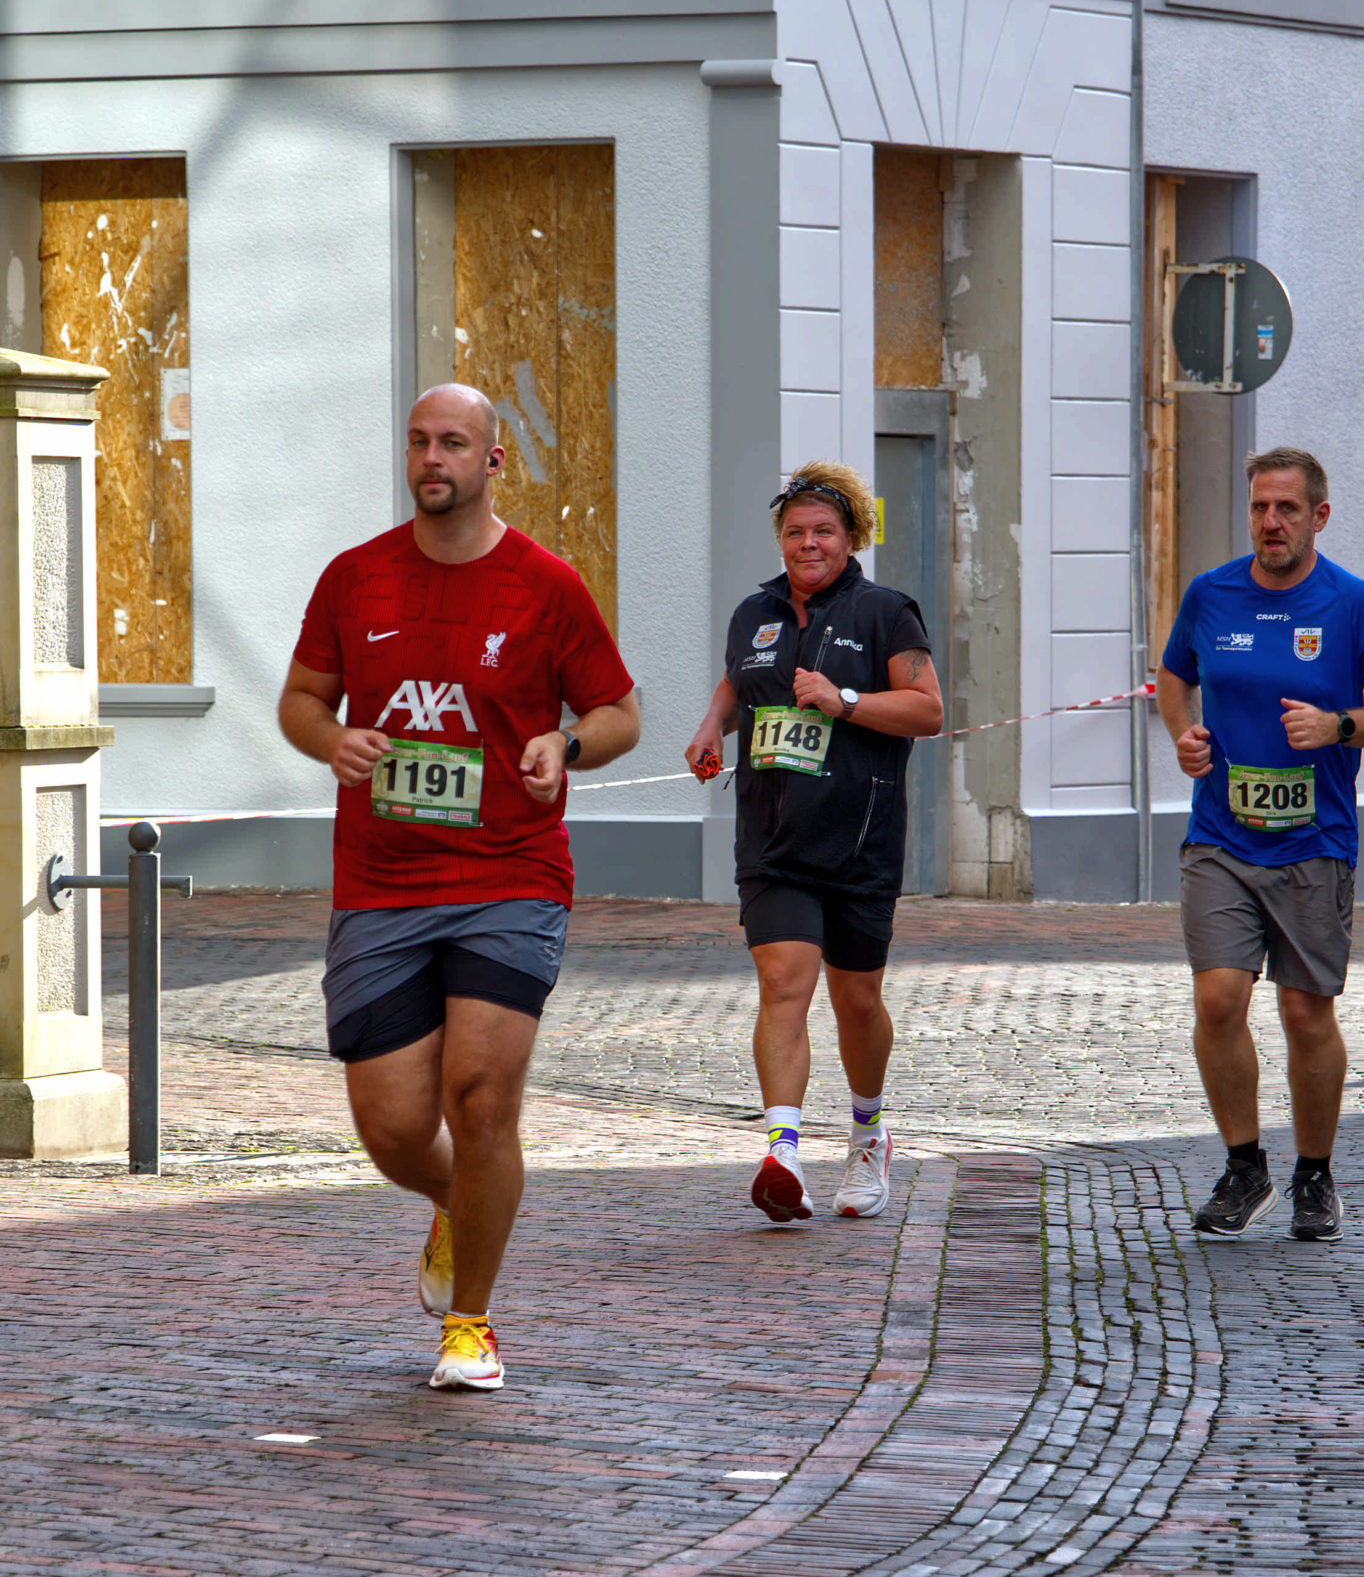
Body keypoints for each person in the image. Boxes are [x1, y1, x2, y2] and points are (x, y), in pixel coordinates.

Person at [279, 384, 641, 1392]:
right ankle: (460, 1200)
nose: (431, 458)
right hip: (381, 881)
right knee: (394, 1126)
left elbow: (619, 710)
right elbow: (301, 700)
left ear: (492, 461)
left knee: (479, 1100)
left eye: (451, 442)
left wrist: (565, 743)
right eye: (418, 442)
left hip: (509, 874)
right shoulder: (355, 579)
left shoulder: (545, 585)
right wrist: (332, 739)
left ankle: (470, 1324)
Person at [1156, 446, 1364, 1243]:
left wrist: (1339, 725)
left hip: (1315, 840)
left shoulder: (1353, 604)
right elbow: (1173, 675)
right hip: (1221, 835)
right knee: (1218, 999)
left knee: (1306, 1013)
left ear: (1319, 516)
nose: (1270, 522)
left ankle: (1315, 1173)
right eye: (1259, 507)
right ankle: (1245, 1167)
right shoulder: (1212, 593)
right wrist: (1184, 734)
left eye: (1286, 508)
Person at [684, 462, 943, 1225]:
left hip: (860, 838)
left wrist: (844, 699)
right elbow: (739, 681)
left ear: (851, 535)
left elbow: (927, 709)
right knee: (783, 981)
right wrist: (712, 725)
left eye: (823, 530)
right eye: (795, 531)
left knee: (855, 1000)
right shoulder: (754, 613)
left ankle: (868, 1132)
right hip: (773, 838)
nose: (808, 543)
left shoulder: (886, 612)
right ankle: (784, 1151)